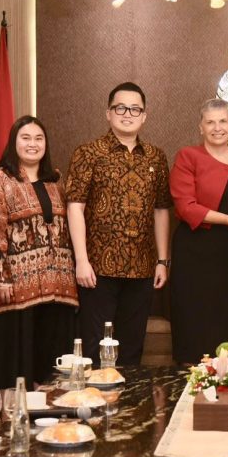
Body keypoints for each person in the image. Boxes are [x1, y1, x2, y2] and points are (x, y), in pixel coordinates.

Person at [65, 82, 172, 367]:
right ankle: (94, 395)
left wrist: (162, 261)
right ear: (108, 113)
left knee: (132, 348)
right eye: (121, 108)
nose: (128, 114)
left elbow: (161, 210)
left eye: (135, 109)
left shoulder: (156, 157)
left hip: (142, 267)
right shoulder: (89, 153)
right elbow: (75, 207)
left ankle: (129, 397)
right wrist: (81, 260)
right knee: (94, 346)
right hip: (97, 267)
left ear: (144, 116)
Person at [0, 115, 78, 396]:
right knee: (14, 348)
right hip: (15, 285)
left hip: (57, 283)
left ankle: (42, 404)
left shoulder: (55, 180)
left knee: (47, 349)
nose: (33, 144)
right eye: (26, 138)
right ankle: (10, 408)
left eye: (38, 138)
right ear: (13, 143)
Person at [169, 99, 228, 364]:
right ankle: (192, 385)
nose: (217, 127)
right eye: (210, 122)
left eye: (222, 121)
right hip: (195, 255)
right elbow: (185, 207)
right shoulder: (188, 156)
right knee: (195, 325)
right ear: (201, 127)